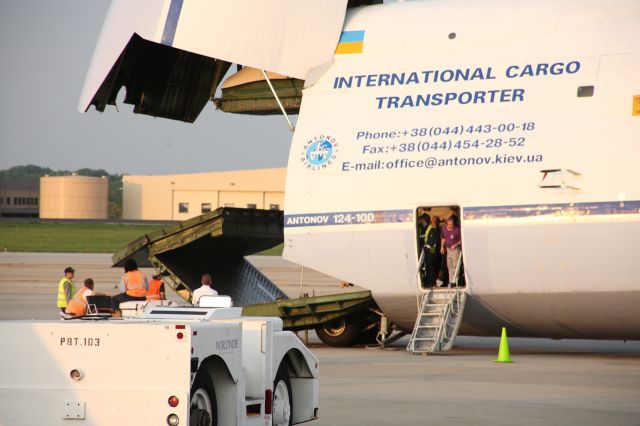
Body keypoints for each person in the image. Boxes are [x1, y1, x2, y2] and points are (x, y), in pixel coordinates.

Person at [440, 218, 462, 286]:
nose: (451, 226)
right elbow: (443, 238)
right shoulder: (444, 229)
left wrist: (455, 245)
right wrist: (442, 247)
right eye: (449, 224)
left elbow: (461, 240)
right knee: (449, 265)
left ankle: (457, 281)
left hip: (455, 249)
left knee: (456, 265)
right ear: (446, 224)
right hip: (448, 249)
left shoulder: (457, 230)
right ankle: (451, 281)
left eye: (452, 224)